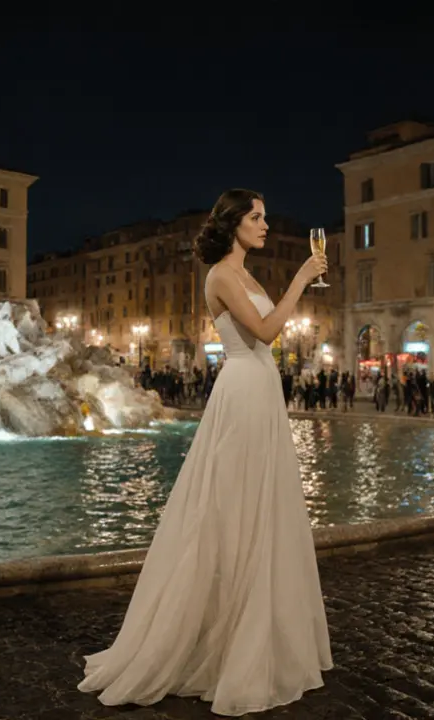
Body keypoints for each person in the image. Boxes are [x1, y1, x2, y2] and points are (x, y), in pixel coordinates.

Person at [79, 189, 332, 716]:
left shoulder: (247, 274)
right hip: (242, 391)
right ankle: (220, 642)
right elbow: (265, 331)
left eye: (265, 216)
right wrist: (301, 281)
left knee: (260, 511)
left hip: (260, 388)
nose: (265, 225)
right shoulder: (220, 274)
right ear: (233, 223)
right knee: (230, 511)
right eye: (256, 217)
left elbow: (265, 338)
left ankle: (250, 632)